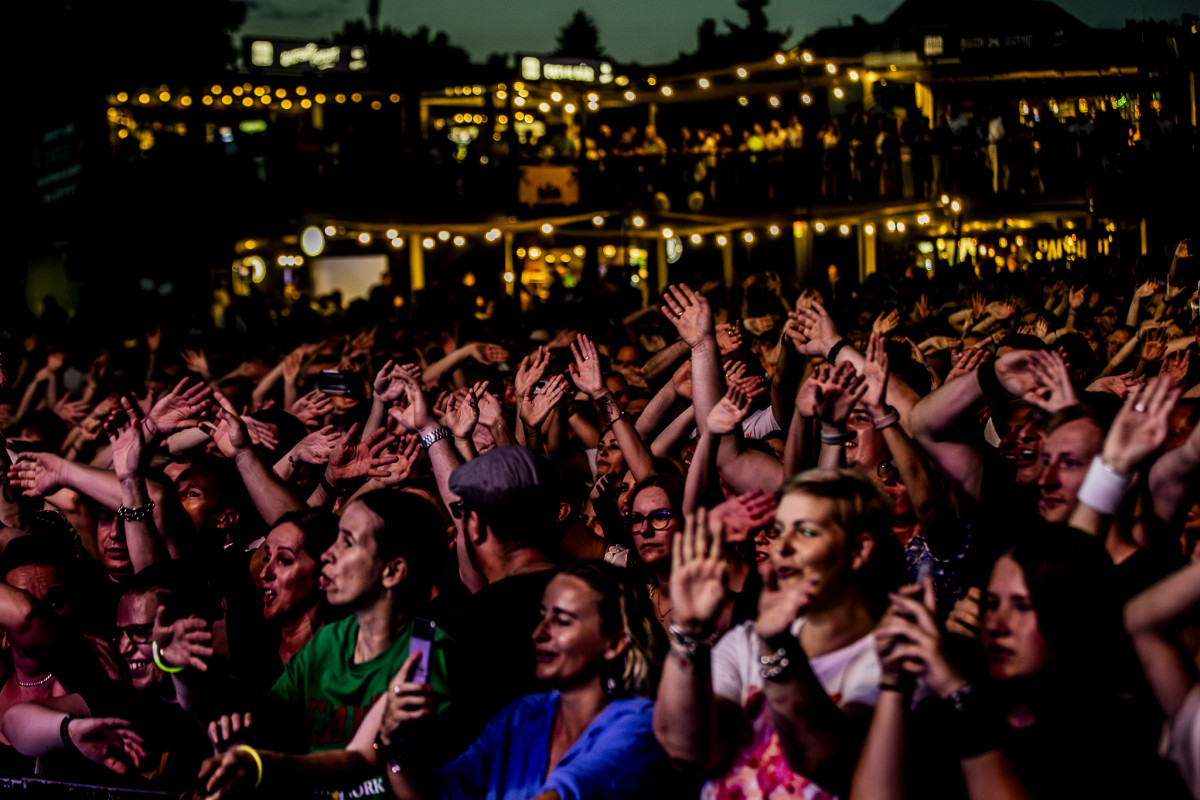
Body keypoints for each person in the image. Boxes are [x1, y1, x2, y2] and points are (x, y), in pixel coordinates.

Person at [853, 523, 1184, 798]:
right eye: (993, 604)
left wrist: (959, 694)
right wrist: (893, 682)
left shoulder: (1117, 735)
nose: (997, 624)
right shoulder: (943, 716)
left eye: (1022, 606)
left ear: (1071, 616)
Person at [655, 469, 903, 799]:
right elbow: (688, 751)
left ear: (859, 549)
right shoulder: (745, 641)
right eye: (779, 530)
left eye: (805, 532)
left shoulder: (893, 654)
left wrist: (776, 647)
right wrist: (690, 632)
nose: (781, 547)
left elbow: (825, 761)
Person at [376, 562, 671, 799]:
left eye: (562, 620)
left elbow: (567, 792)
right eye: (542, 617)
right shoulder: (524, 715)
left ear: (615, 643)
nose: (538, 633)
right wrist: (394, 748)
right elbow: (440, 791)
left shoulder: (640, 724)